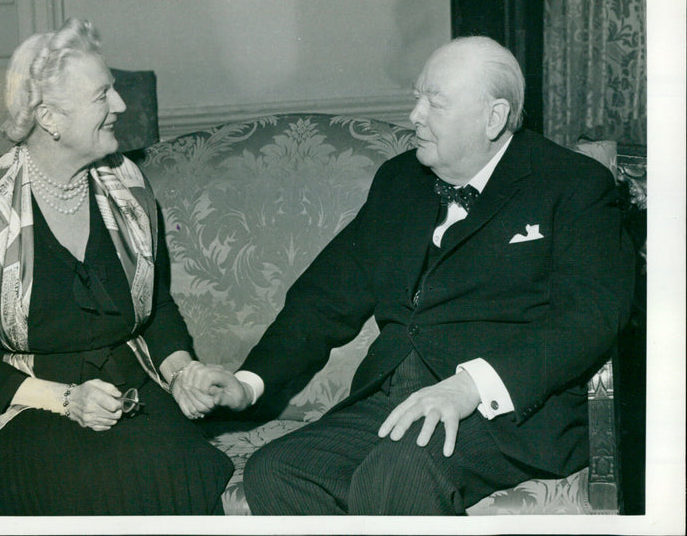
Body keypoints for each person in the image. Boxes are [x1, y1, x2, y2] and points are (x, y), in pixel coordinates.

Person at [183, 35, 637, 514]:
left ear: (494, 117)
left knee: (397, 472)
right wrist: (250, 382)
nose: (415, 115)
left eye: (435, 103)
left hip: (510, 414)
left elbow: (591, 317)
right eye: (416, 97)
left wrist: (469, 387)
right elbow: (323, 299)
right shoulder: (400, 181)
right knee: (278, 470)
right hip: (398, 396)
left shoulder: (571, 184)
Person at [0, 18, 233, 515]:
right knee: (92, 486)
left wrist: (181, 369)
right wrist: (66, 399)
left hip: (129, 391)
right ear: (49, 117)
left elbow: (156, 306)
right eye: (103, 95)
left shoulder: (129, 190)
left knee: (187, 471)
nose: (120, 105)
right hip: (21, 406)